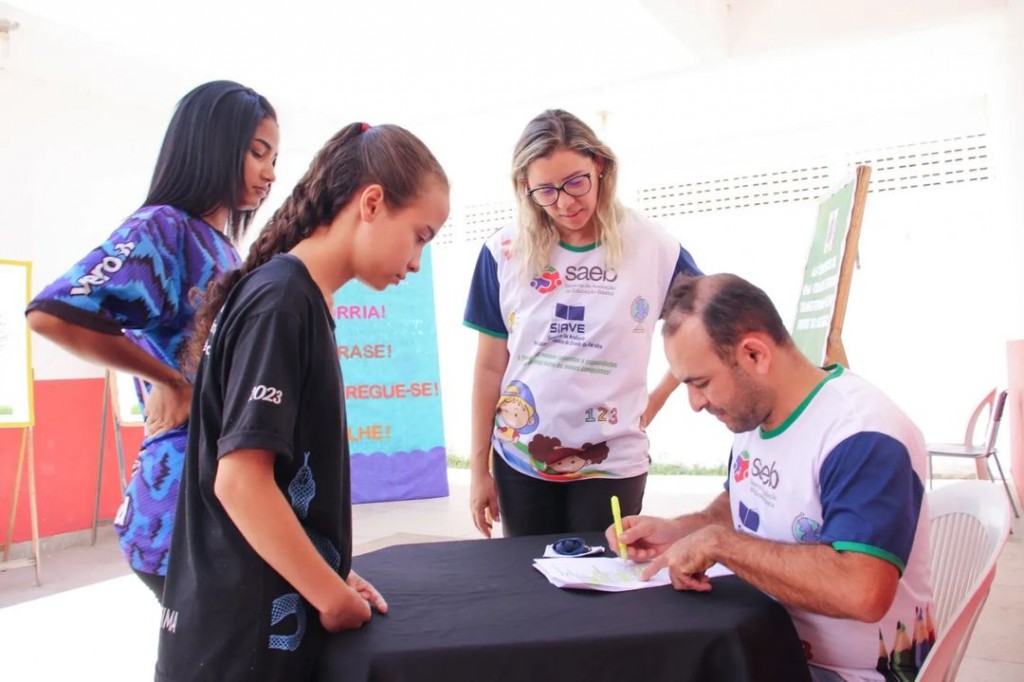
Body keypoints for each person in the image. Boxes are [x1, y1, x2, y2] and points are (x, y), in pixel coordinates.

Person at [155, 122, 450, 681]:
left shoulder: (296, 296)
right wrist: (330, 596)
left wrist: (326, 572)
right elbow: (240, 481)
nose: (416, 262)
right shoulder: (282, 301)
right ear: (371, 203)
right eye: (420, 236)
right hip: (240, 644)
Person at [608, 273, 934, 682]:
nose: (694, 403)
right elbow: (740, 505)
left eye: (701, 383)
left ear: (754, 355)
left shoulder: (863, 436)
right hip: (760, 644)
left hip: (847, 673)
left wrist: (718, 543)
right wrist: (680, 531)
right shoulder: (752, 416)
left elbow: (862, 592)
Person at [25, 80, 278, 598]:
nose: (270, 173)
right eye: (257, 153)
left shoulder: (224, 250)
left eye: (274, 158)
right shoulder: (164, 229)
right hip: (179, 506)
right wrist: (167, 380)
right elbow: (53, 314)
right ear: (211, 144)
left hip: (226, 494)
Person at [464, 109, 702, 538]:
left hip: (612, 463)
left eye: (576, 182)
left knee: (602, 574)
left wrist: (658, 398)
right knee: (527, 575)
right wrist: (479, 468)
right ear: (525, 189)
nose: (565, 203)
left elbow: (705, 328)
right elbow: (489, 366)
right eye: (545, 191)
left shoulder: (653, 247)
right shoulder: (503, 252)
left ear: (601, 166)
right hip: (521, 462)